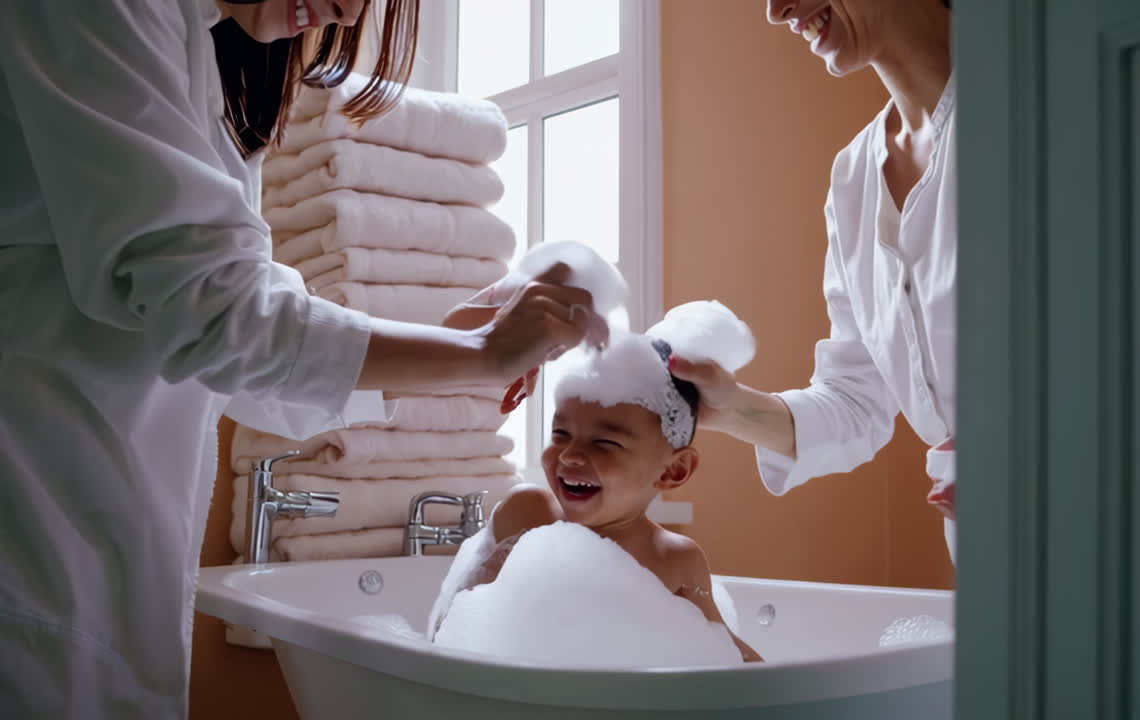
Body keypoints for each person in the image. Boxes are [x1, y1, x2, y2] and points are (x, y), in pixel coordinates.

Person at [0, 1, 597, 716]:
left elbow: (234, 340)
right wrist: (478, 353)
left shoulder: (211, 71)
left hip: (92, 537)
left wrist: (452, 335)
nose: (347, 10)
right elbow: (219, 317)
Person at [668, 0, 959, 563]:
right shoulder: (853, 177)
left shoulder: (1046, 99)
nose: (777, 11)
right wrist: (730, 408)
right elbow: (856, 401)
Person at [437, 303, 763, 663]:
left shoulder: (674, 559)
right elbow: (458, 626)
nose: (569, 456)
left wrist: (778, 689)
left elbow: (725, 653)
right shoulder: (528, 513)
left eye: (605, 442)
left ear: (674, 471)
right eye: (560, 433)